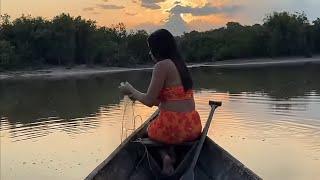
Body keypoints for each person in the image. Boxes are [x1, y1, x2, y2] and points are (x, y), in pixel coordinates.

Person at [119, 29, 202, 175]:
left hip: (173, 127)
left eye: (151, 49)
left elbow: (149, 101)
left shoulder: (161, 66)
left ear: (157, 49)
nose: (150, 53)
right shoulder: (181, 65)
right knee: (168, 131)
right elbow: (169, 101)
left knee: (145, 134)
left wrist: (131, 89)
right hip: (193, 127)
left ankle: (165, 157)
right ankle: (173, 154)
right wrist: (136, 95)